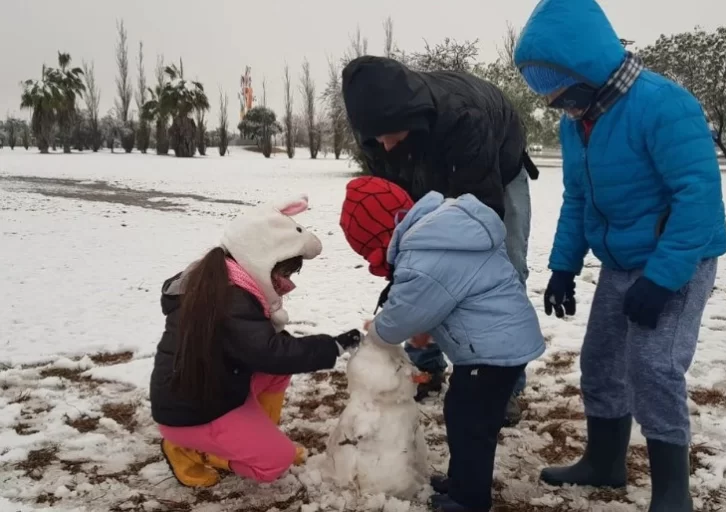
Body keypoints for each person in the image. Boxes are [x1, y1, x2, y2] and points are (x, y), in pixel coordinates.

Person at [513, 0, 726, 510]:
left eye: (556, 85)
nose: (551, 100)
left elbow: (697, 198)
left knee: (652, 366)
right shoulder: (576, 122)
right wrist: (564, 265)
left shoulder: (664, 105)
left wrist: (664, 279)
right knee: (602, 361)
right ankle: (605, 462)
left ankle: (673, 493)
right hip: (621, 260)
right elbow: (579, 198)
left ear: (588, 66)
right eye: (542, 88)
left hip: (681, 257)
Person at [342, 56, 538, 423]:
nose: (381, 147)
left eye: (387, 135)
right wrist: (413, 299)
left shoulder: (465, 119)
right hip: (427, 177)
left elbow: (479, 225)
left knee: (501, 269)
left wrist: (432, 297)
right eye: (374, 139)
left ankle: (503, 383)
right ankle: (426, 365)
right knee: (421, 258)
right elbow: (399, 232)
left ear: (409, 118)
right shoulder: (376, 133)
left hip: (496, 173)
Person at [339, 176, 545, 512]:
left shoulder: (426, 252)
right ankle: (463, 483)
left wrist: (377, 330)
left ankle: (469, 499)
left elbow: (403, 314)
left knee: (470, 421)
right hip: (498, 344)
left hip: (492, 353)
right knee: (467, 416)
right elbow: (454, 296)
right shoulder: (442, 236)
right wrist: (427, 331)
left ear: (381, 234)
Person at [149, 195, 361, 488]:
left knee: (276, 375)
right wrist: (332, 346)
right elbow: (272, 353)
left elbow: (262, 350)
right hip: (193, 412)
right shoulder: (230, 300)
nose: (287, 282)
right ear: (262, 259)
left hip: (208, 390)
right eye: (284, 272)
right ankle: (193, 450)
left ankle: (251, 438)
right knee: (275, 463)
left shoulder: (221, 280)